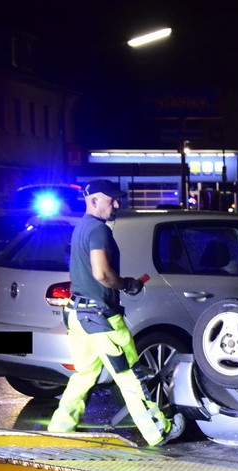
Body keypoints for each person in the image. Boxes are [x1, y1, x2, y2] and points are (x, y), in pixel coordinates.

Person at [48, 179, 184, 446]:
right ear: (95, 201)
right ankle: (158, 431)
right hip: (102, 319)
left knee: (84, 374)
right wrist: (126, 284)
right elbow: (102, 274)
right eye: (113, 199)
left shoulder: (81, 228)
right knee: (130, 374)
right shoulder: (99, 230)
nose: (118, 204)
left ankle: (61, 427)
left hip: (78, 315)